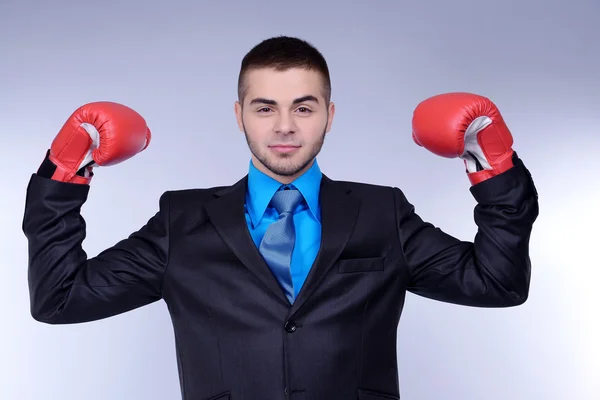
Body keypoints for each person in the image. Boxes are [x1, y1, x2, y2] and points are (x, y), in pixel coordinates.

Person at [22, 36, 539, 400]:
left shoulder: (383, 212)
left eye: (305, 108)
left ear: (330, 116)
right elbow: (60, 299)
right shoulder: (182, 219)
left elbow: (498, 283)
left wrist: (493, 170)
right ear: (239, 114)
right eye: (265, 108)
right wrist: (66, 176)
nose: (285, 127)